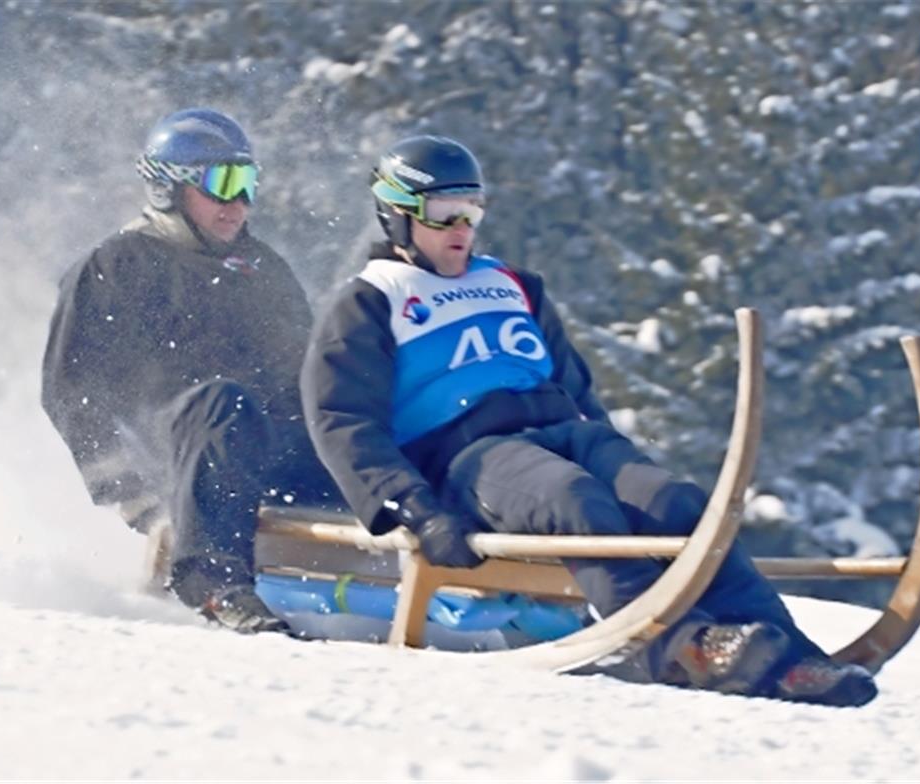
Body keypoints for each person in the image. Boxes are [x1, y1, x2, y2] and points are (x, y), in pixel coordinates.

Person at [299, 135, 878, 706]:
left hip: (563, 431)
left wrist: (616, 459)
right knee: (572, 501)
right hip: (467, 455)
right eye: (444, 213)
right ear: (397, 216)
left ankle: (793, 656)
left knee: (675, 503)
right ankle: (680, 646)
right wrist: (417, 512)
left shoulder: (512, 285)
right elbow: (342, 420)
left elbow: (575, 386)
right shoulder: (371, 301)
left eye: (472, 212)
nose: (462, 230)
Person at [42, 108, 340, 634]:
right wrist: (136, 498)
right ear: (168, 187)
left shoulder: (263, 268)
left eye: (247, 184)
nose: (238, 204)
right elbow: (72, 391)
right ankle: (213, 583)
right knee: (222, 402)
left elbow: (306, 376)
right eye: (222, 184)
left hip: (262, 446)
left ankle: (458, 569)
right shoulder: (119, 263)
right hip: (175, 448)